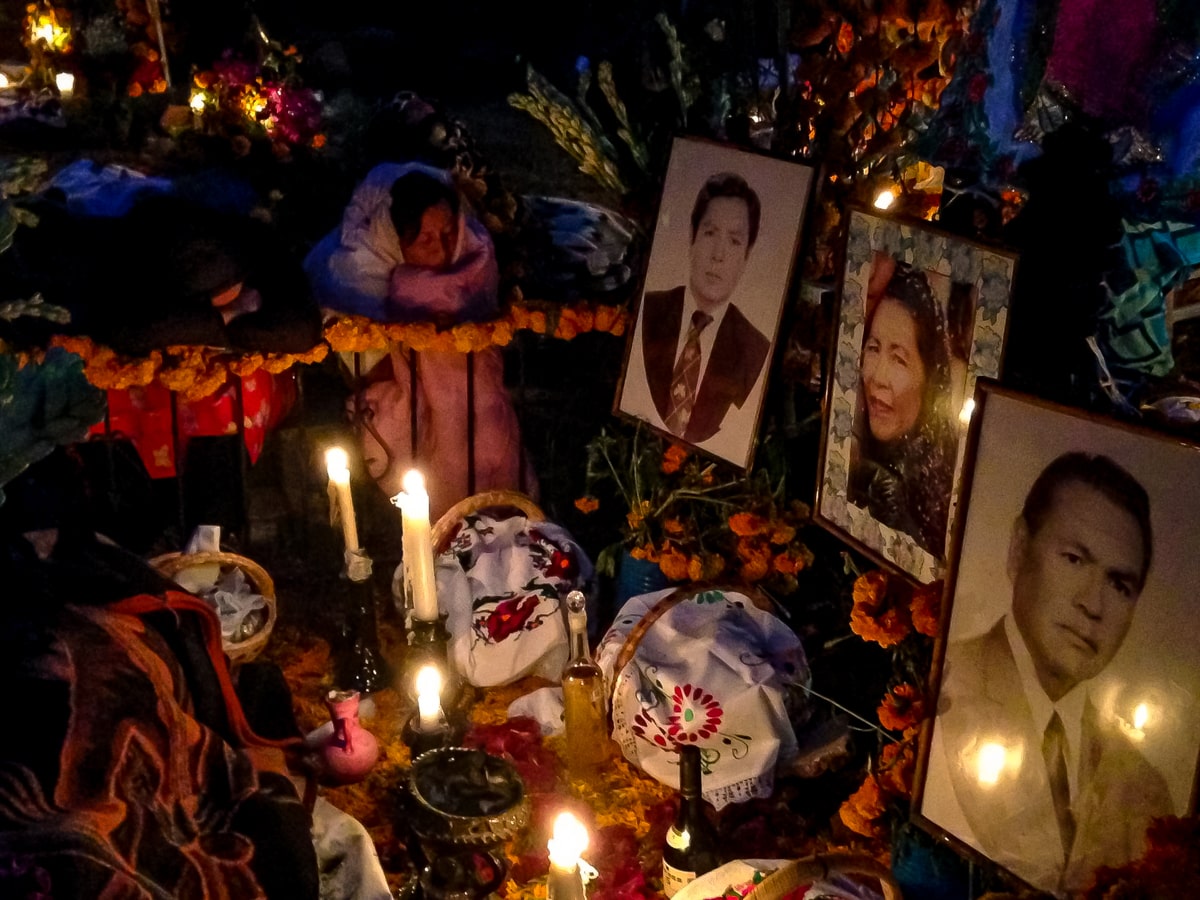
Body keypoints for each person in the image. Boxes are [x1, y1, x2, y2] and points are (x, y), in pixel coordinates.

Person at [927, 452, 1173, 896]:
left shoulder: (1146, 790)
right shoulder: (938, 686)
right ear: (1019, 549)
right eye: (1075, 559)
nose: (1092, 605)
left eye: (1119, 585)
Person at [304, 162, 535, 519]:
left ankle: (514, 524)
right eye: (424, 240)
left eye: (446, 234)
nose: (441, 249)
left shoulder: (470, 245)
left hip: (477, 376)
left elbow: (478, 282)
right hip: (422, 387)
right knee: (451, 453)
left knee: (493, 441)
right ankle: (454, 531)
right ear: (398, 237)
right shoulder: (361, 270)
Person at [639, 171, 771, 445]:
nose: (718, 255)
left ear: (746, 255)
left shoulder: (755, 350)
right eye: (710, 233)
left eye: (734, 241)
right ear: (692, 237)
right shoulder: (648, 311)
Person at [847, 262, 956, 555]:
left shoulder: (936, 500)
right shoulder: (850, 451)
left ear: (929, 378)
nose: (878, 377)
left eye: (899, 359)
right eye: (873, 348)